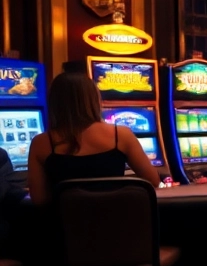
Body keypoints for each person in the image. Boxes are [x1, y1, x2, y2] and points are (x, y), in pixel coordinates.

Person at [27, 72, 160, 205]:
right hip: (117, 222)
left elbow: (39, 200)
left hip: (67, 224)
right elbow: (153, 181)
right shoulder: (121, 135)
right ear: (94, 99)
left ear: (54, 103)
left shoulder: (41, 143)